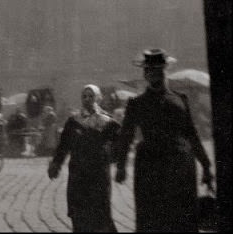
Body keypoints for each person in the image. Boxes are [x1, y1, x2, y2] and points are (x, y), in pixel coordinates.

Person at [113, 49, 213, 232]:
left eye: (157, 70)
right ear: (145, 74)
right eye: (149, 70)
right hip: (150, 167)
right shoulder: (136, 103)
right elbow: (125, 136)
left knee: (182, 217)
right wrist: (120, 165)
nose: (153, 74)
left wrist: (206, 165)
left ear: (164, 71)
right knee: (152, 217)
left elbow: (191, 134)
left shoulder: (180, 99)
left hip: (180, 166)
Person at [48, 84, 121, 232]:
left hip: (99, 174)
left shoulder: (108, 122)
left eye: (91, 96)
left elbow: (120, 144)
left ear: (98, 98)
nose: (87, 99)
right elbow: (63, 146)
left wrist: (113, 157)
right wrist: (56, 163)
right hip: (78, 174)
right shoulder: (73, 122)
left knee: (101, 214)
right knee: (79, 213)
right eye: (84, 96)